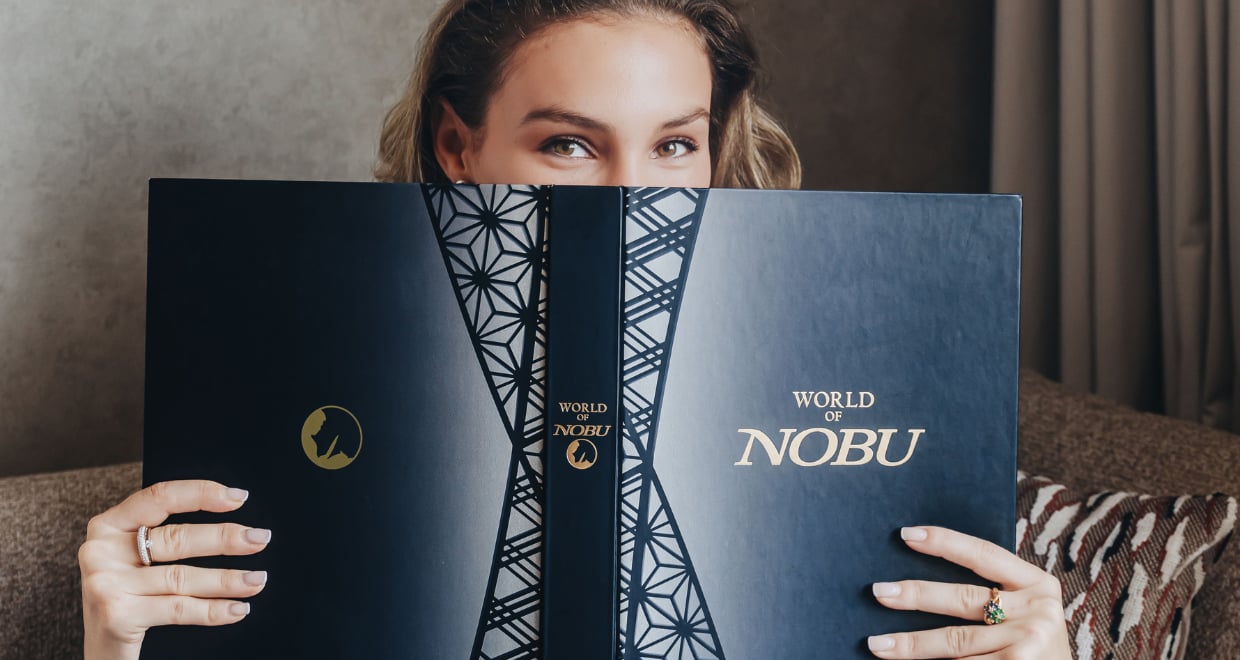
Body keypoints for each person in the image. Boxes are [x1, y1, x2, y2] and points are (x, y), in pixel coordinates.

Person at [78, 1, 1072, 658]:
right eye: (567, 143)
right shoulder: (296, 360)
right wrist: (114, 652)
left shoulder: (844, 358)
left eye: (673, 143)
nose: (629, 191)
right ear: (457, 146)